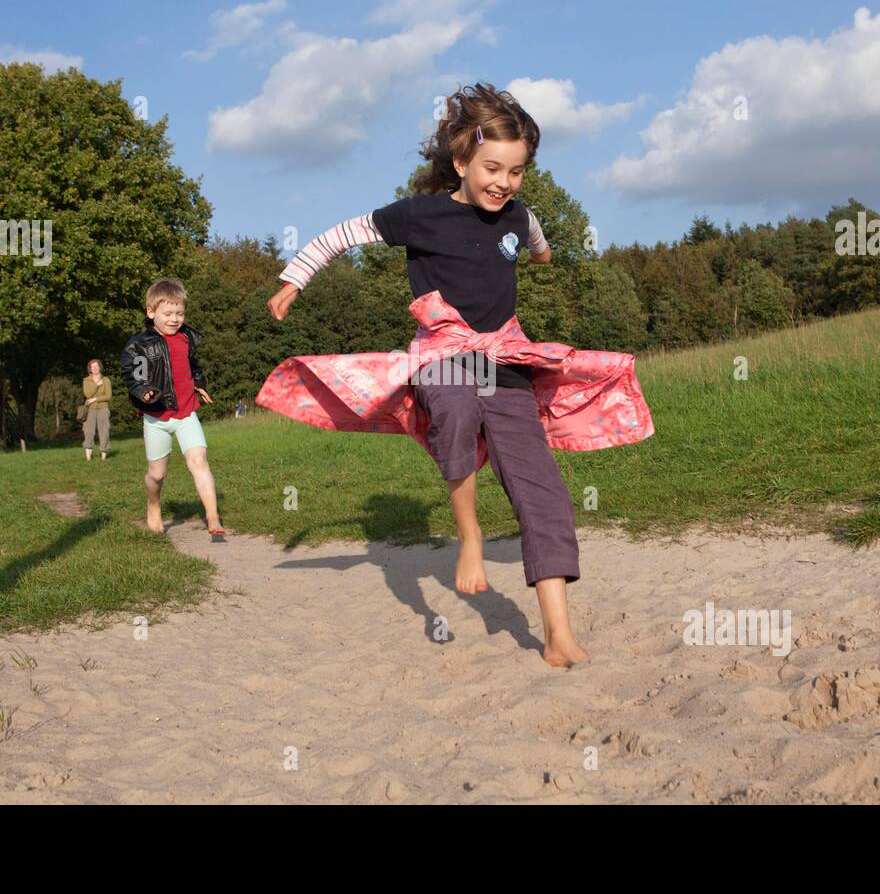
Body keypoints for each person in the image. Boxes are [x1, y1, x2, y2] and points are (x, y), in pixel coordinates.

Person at [260, 82, 653, 668]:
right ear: (462, 160)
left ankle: (558, 632)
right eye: (492, 167)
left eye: (516, 172)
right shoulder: (422, 215)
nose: (504, 182)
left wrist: (541, 254)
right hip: (443, 354)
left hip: (506, 359)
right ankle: (469, 536)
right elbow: (343, 234)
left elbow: (535, 239)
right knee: (457, 409)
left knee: (541, 485)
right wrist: (294, 280)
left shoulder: (520, 216)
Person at [119, 277, 225, 537]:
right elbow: (133, 374)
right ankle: (153, 503)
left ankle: (213, 518)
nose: (174, 319)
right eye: (168, 313)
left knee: (199, 461)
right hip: (157, 417)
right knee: (157, 475)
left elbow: (192, 366)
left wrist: (198, 382)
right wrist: (144, 392)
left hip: (187, 412)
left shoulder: (186, 338)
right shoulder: (139, 344)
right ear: (151, 312)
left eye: (179, 313)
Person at [81, 359, 112, 461]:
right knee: (88, 431)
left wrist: (95, 399)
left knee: (104, 431)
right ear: (89, 369)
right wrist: (97, 385)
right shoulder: (86, 380)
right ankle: (88, 457)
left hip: (103, 408)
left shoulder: (106, 380)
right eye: (92, 367)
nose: (94, 368)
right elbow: (87, 394)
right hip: (90, 409)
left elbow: (108, 396)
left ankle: (103, 455)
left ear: (100, 367)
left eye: (96, 366)